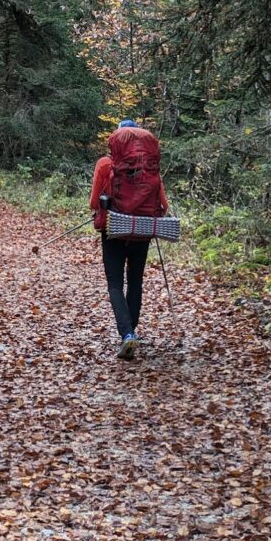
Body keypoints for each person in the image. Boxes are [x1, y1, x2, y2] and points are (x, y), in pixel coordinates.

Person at [89, 119, 168, 360]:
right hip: (141, 231)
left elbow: (94, 202)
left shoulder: (105, 164)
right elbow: (163, 206)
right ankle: (131, 331)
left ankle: (127, 335)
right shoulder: (150, 168)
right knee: (135, 281)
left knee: (115, 283)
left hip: (114, 230)